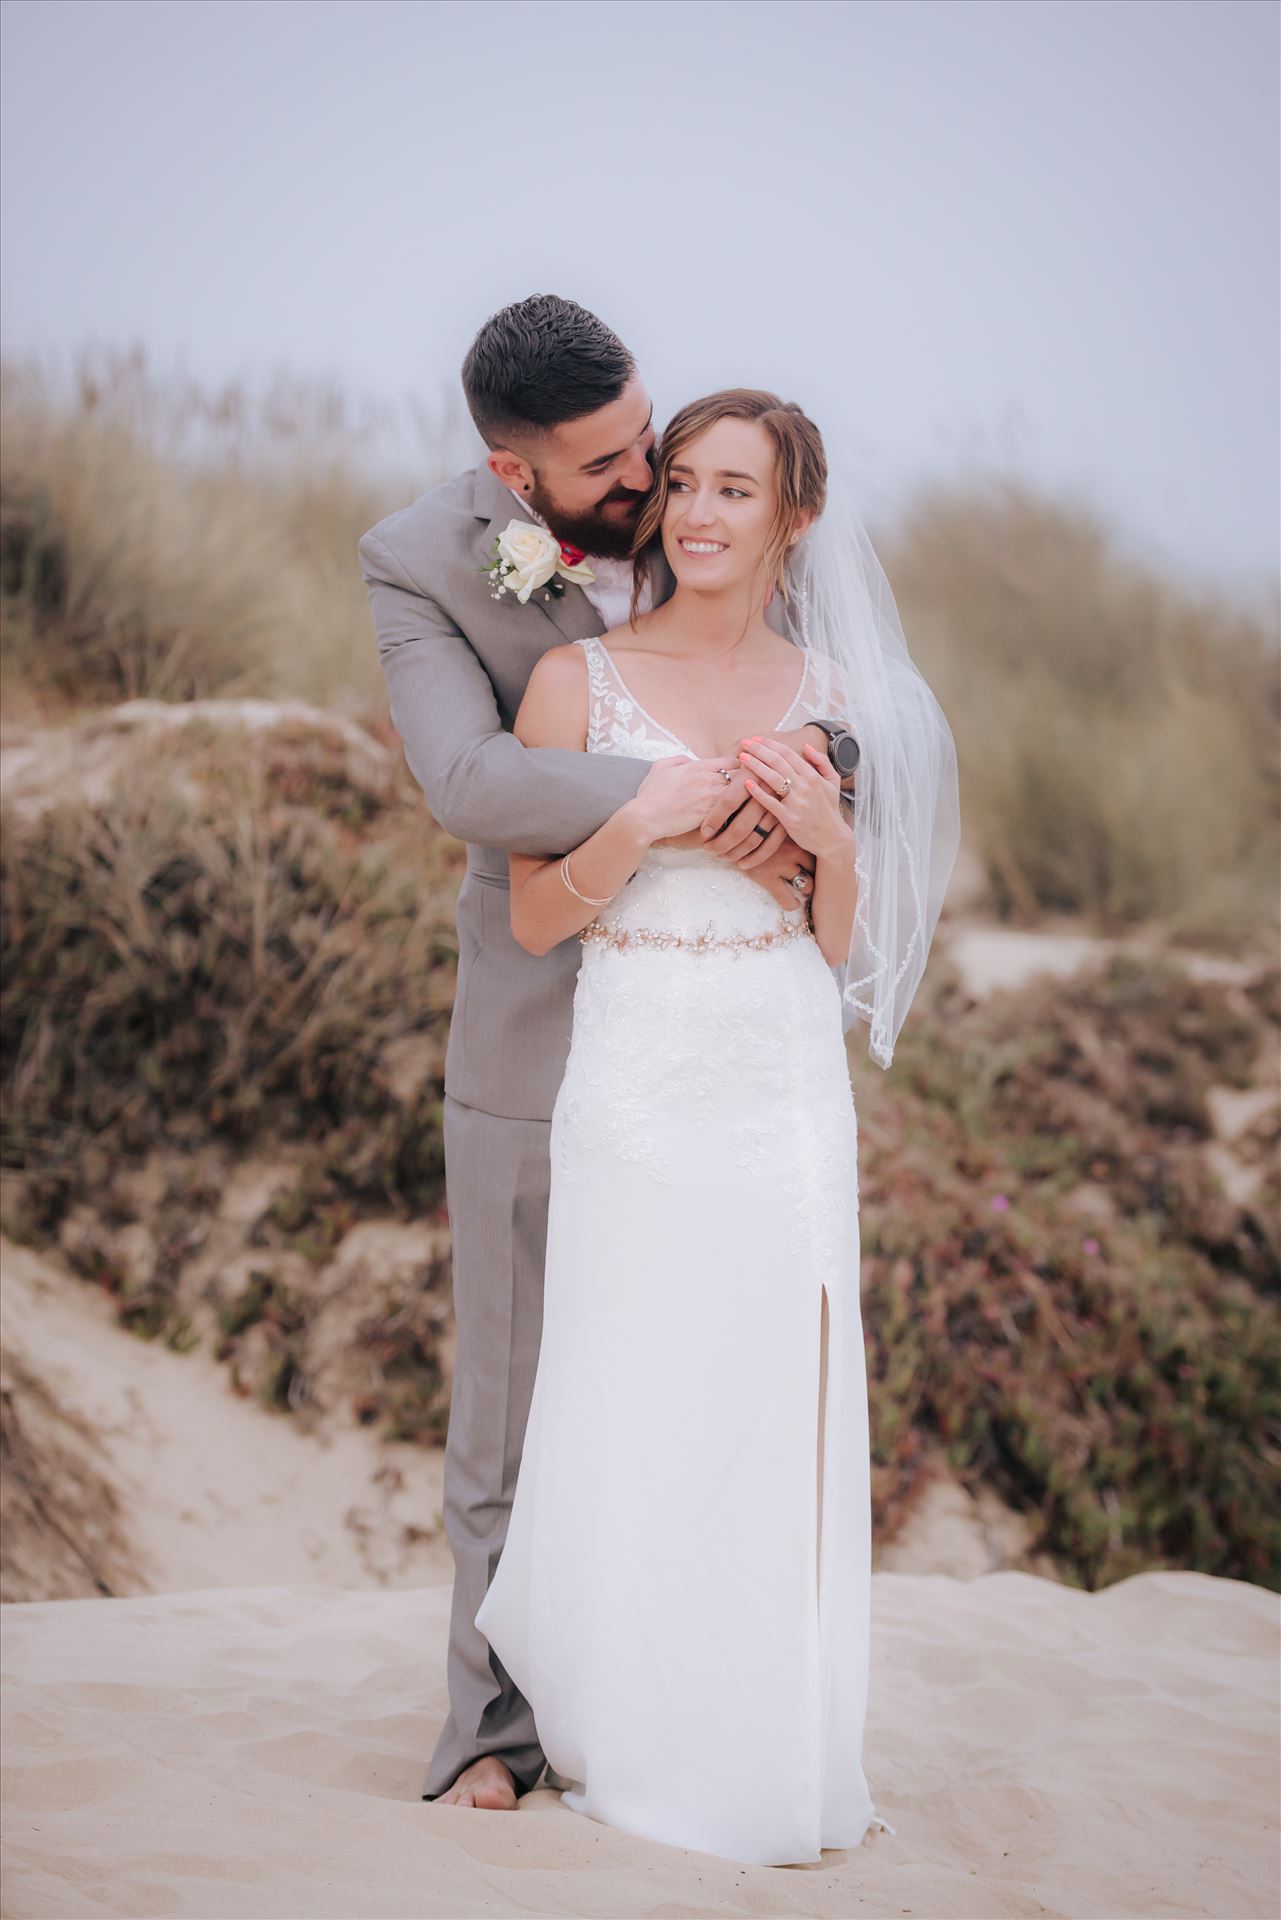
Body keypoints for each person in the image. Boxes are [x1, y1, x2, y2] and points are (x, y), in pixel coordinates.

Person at [358, 297, 852, 1812]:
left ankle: (682, 1701)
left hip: (736, 1042)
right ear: (517, 477)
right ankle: (491, 1734)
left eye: (651, 436)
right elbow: (470, 778)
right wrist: (673, 784)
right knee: (508, 1397)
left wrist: (812, 811)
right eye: (611, 462)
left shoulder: (704, 498)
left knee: (707, 1384)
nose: (648, 481)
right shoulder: (419, 565)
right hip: (541, 1025)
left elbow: (836, 743)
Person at [474, 387, 959, 1864]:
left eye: (734, 491)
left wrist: (821, 846)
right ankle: (627, 1741)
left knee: (767, 1411)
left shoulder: (840, 699)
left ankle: (763, 1749)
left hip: (776, 1086)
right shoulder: (575, 682)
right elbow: (534, 919)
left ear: (792, 517)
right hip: (630, 1085)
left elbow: (837, 948)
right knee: (631, 1400)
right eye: (681, 482)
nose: (695, 513)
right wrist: (638, 823)